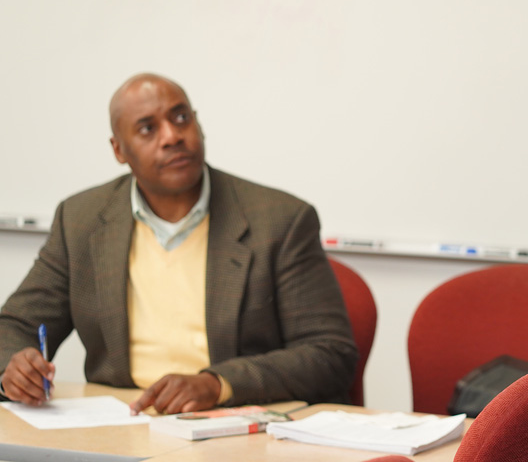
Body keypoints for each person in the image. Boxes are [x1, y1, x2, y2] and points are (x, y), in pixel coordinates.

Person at [0, 73, 358, 414]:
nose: (172, 136)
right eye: (147, 128)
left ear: (198, 125)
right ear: (119, 150)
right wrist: (15, 367)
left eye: (181, 117)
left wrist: (218, 384)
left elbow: (329, 354)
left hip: (234, 426)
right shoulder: (81, 220)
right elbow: (14, 326)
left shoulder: (279, 220)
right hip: (121, 427)